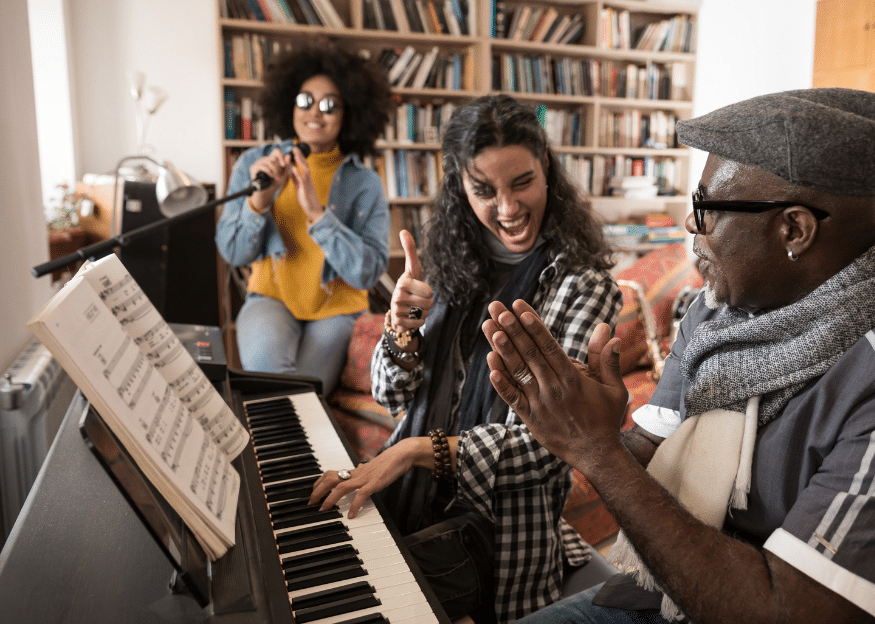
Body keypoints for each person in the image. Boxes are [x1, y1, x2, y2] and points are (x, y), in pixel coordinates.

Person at [482, 88, 875, 624]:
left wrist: (597, 453)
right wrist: (596, 430)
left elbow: (790, 611)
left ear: (794, 229)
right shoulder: (723, 314)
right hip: (666, 596)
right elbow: (655, 458)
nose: (690, 225)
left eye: (705, 207)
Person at [309, 94, 623, 623]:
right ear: (461, 185)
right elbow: (392, 396)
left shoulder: (583, 287)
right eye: (484, 190)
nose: (506, 208)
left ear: (545, 167)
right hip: (407, 501)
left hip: (501, 549)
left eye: (521, 182)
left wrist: (413, 451)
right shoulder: (451, 262)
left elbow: (556, 443)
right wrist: (401, 328)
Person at [216, 43, 392, 394]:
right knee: (268, 378)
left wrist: (316, 213)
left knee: (304, 394)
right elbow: (233, 253)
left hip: (337, 309)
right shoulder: (255, 165)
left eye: (329, 105)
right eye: (304, 100)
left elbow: (368, 272)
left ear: (349, 113)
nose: (315, 112)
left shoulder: (366, 183)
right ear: (288, 104)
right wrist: (258, 202)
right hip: (271, 299)